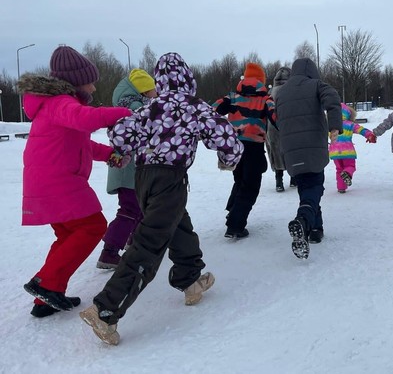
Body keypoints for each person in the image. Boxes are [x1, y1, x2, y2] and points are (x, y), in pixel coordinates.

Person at [79, 52, 243, 345]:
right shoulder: (193, 106)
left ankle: (190, 278)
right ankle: (105, 309)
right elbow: (225, 136)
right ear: (188, 78)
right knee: (150, 243)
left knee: (178, 223)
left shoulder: (149, 106)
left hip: (143, 178)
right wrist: (228, 158)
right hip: (171, 177)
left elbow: (119, 133)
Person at [18, 45, 131, 318]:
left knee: (68, 235)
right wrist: (125, 113)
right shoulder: (61, 103)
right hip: (58, 182)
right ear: (77, 82)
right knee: (93, 227)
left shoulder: (55, 106)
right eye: (90, 82)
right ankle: (44, 283)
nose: (93, 89)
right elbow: (86, 120)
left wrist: (109, 154)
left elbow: (80, 143)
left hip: (46, 181)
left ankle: (46, 298)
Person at [275, 58, 342, 258]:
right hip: (312, 146)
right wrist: (334, 127)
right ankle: (303, 222)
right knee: (315, 185)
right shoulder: (316, 85)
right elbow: (332, 98)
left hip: (290, 149)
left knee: (307, 188)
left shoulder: (281, 92)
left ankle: (315, 229)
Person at [97, 69, 158, 269]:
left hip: (130, 168)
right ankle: (110, 251)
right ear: (143, 91)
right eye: (151, 90)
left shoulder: (132, 105)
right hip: (127, 169)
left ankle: (134, 242)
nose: (154, 93)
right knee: (130, 209)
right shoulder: (135, 108)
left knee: (139, 208)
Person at [213, 62, 276, 239]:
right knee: (250, 185)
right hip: (254, 147)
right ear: (261, 80)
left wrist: (221, 131)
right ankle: (235, 225)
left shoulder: (231, 97)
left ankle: (233, 211)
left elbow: (211, 111)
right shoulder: (266, 99)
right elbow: (276, 117)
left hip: (234, 146)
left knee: (240, 179)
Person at [329, 102, 376, 194]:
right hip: (347, 151)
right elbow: (361, 130)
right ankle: (347, 173)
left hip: (334, 152)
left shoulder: (330, 125)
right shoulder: (350, 124)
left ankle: (341, 188)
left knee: (339, 169)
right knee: (350, 166)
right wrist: (370, 135)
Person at [265, 67, 295, 192]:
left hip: (272, 127)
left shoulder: (271, 92)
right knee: (291, 150)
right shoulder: (292, 90)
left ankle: (279, 181)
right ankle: (294, 178)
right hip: (289, 125)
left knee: (276, 152)